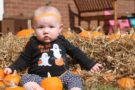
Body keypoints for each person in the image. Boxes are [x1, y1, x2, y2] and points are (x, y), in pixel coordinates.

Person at [4, 6, 103, 90]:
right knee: (25, 78)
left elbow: (76, 52)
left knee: (74, 78)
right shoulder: (33, 42)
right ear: (33, 29)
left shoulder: (61, 41)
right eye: (41, 27)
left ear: (59, 29)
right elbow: (23, 59)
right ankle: (35, 87)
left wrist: (90, 64)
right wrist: (12, 68)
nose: (46, 31)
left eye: (51, 27)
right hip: (39, 78)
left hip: (62, 76)